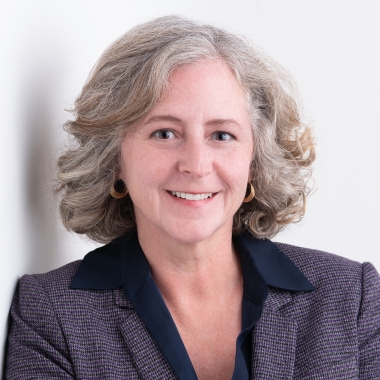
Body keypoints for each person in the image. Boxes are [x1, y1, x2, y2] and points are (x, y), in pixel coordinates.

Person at [5, 15, 380, 380]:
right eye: (165, 133)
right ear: (114, 158)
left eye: (222, 135)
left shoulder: (352, 297)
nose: (196, 166)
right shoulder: (50, 314)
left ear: (255, 161)